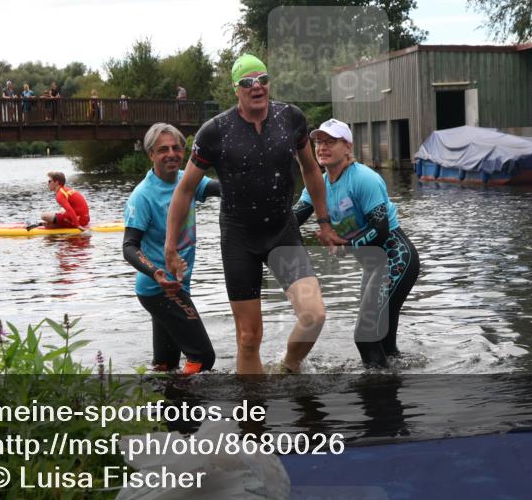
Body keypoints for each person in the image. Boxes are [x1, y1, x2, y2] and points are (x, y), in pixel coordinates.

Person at [164, 54, 343, 374]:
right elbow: (185, 190)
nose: (256, 86)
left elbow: (311, 170)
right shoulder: (215, 131)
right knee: (249, 337)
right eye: (247, 82)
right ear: (236, 89)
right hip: (239, 238)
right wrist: (170, 246)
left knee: (314, 315)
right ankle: (252, 415)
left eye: (262, 79)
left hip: (281, 231)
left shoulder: (291, 118)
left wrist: (324, 221)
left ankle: (287, 369)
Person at [292, 119, 420, 368]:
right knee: (382, 341)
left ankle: (376, 394)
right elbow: (292, 220)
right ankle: (393, 386)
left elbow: (381, 230)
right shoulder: (317, 183)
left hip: (396, 259)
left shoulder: (363, 178)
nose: (322, 148)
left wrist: (346, 245)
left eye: (330, 142)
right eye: (318, 142)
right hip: (372, 268)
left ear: (347, 146)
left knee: (365, 335)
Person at [123, 123, 220, 374]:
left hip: (175, 286)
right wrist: (156, 272)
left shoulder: (186, 180)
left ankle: (169, 408)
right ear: (151, 155)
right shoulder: (142, 195)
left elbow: (217, 188)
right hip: (158, 288)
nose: (171, 154)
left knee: (166, 365)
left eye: (177, 148)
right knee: (202, 358)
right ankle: (190, 408)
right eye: (163, 149)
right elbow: (129, 247)